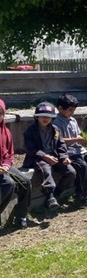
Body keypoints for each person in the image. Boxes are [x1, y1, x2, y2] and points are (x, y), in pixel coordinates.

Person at [22, 102, 76, 210]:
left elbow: (61, 145)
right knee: (46, 169)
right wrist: (44, 156)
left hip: (54, 155)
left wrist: (64, 157)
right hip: (37, 157)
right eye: (42, 116)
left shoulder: (55, 129)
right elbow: (30, 148)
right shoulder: (30, 130)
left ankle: (56, 194)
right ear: (37, 117)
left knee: (71, 172)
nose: (45, 119)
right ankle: (50, 197)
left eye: (49, 116)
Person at [54, 94, 87, 207]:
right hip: (68, 152)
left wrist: (84, 139)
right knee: (83, 166)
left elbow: (78, 134)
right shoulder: (55, 123)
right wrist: (76, 139)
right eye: (70, 110)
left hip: (79, 149)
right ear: (60, 108)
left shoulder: (72, 120)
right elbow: (58, 140)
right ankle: (82, 196)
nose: (72, 113)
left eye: (73, 110)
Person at [0, 98, 31, 229]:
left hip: (3, 165)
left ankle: (21, 216)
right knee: (8, 184)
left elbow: (9, 154)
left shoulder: (5, 131)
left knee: (25, 182)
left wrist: (7, 164)